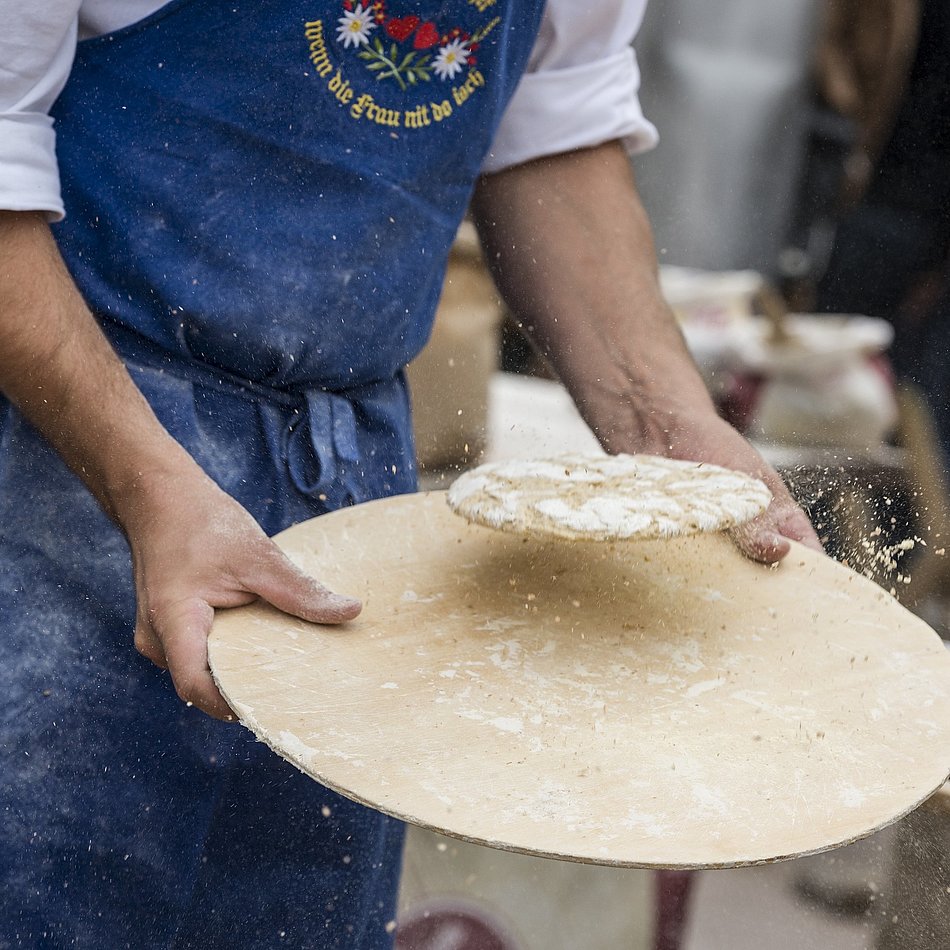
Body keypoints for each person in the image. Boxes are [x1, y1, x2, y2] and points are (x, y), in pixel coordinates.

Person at [0, 2, 819, 947]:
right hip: (61, 445)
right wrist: (148, 485)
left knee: (290, 912)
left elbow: (553, 128)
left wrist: (671, 431)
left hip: (348, 474)